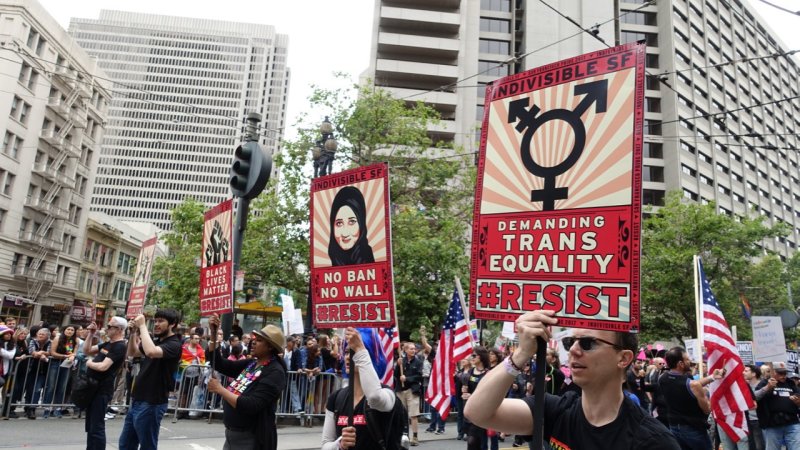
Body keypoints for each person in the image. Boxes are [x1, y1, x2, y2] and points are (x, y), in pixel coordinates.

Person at [464, 309, 680, 450]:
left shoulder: (654, 442)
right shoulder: (554, 410)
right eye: (570, 342)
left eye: (588, 343)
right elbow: (477, 412)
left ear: (623, 358)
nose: (574, 350)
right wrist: (521, 354)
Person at [205, 313, 287, 450]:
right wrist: (213, 333)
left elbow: (252, 405)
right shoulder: (252, 363)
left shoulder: (275, 372)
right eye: (254, 339)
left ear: (270, 347)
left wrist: (220, 389)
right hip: (232, 436)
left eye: (259, 340)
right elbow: (219, 364)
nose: (253, 342)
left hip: (252, 438)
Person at [321, 327, 397, 450]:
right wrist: (339, 444)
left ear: (368, 355)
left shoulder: (388, 394)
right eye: (346, 352)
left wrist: (360, 349)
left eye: (353, 351)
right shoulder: (336, 398)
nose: (347, 357)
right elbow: (325, 445)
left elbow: (374, 397)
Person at [119, 309, 182, 450]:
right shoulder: (154, 340)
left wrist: (142, 326)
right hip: (137, 399)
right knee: (126, 444)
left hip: (153, 402)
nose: (157, 324)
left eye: (161, 321)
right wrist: (133, 333)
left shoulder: (174, 344)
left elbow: (151, 352)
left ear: (172, 324)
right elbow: (132, 352)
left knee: (147, 445)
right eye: (155, 321)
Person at [660, 347, 721, 450]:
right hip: (693, 429)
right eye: (687, 359)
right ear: (681, 363)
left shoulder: (662, 378)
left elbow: (690, 385)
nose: (690, 361)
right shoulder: (693, 385)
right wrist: (710, 395)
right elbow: (707, 410)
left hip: (673, 427)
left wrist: (712, 377)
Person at [83, 318, 128, 450]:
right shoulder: (108, 343)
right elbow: (87, 350)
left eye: (110, 326)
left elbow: (103, 366)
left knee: (96, 426)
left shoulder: (120, 346)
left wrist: (89, 363)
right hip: (92, 387)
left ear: (119, 329)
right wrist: (91, 334)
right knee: (91, 425)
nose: (107, 328)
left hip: (102, 389)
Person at [754, 361, 800, 450]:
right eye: (780, 373)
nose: (783, 375)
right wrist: (767, 387)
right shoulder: (764, 382)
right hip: (772, 424)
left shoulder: (791, 383)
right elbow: (754, 397)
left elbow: (798, 396)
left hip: (792, 422)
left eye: (785, 373)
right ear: (772, 372)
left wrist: (798, 402)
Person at [328, 186, 375, 266]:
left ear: (361, 224)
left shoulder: (368, 261)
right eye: (339, 223)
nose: (345, 234)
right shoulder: (333, 258)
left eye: (352, 222)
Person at [396, 341, 423, 446]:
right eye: (411, 349)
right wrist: (398, 366)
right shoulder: (401, 361)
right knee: (402, 414)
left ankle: (415, 437)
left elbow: (419, 376)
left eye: (414, 349)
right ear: (405, 350)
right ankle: (404, 435)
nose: (413, 350)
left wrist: (407, 378)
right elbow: (395, 374)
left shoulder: (418, 361)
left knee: (413, 415)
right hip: (401, 390)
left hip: (412, 390)